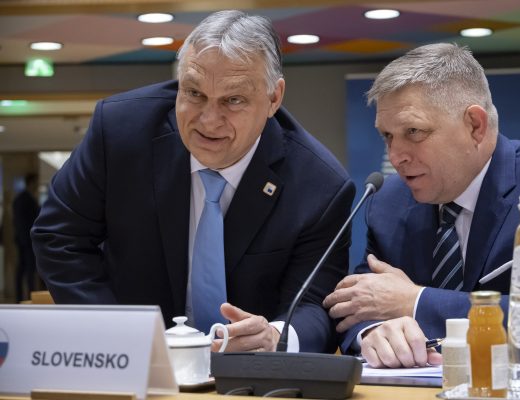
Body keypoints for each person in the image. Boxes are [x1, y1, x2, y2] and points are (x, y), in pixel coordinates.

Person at [31, 10, 355, 354]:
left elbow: (315, 303)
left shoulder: (319, 186)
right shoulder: (120, 132)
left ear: (273, 99)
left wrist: (275, 337)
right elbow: (59, 236)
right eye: (194, 93)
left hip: (248, 374)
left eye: (233, 100)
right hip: (133, 360)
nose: (208, 120)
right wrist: (116, 332)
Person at [323, 43, 520, 368]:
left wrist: (415, 302)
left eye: (413, 131)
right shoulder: (387, 202)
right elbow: (354, 306)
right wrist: (373, 332)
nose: (396, 156)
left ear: (475, 126)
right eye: (387, 135)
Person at [13, 173, 40, 303]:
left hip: (22, 240)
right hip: (27, 241)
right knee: (28, 270)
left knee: (23, 270)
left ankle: (22, 297)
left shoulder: (20, 199)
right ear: (31, 183)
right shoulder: (26, 199)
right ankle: (30, 297)